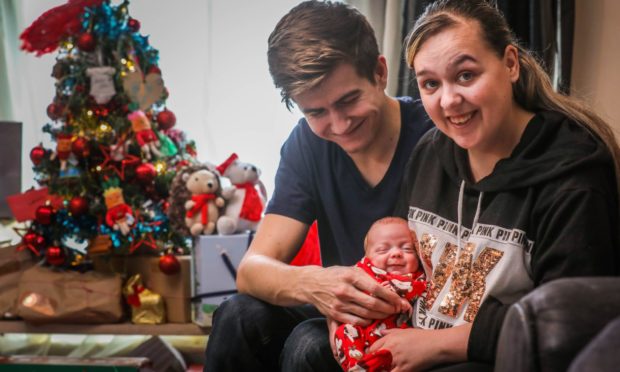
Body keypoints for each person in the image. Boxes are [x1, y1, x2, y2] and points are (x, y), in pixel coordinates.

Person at [383, 0, 620, 371]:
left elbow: (567, 325)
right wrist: (357, 307)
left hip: (496, 359)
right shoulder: (429, 152)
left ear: (510, 64)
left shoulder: (575, 178)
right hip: (413, 335)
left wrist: (440, 345)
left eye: (465, 75)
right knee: (309, 343)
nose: (449, 101)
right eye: (430, 84)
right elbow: (398, 257)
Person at [204, 1, 432, 371]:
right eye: (316, 112)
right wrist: (317, 285)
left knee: (307, 344)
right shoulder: (307, 145)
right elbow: (252, 270)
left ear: (379, 72)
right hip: (341, 314)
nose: (339, 125)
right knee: (237, 316)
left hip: (418, 317)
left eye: (349, 100)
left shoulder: (432, 132)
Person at [334, 217, 426, 372]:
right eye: (383, 250)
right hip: (361, 329)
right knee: (343, 332)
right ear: (367, 256)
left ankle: (375, 364)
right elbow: (346, 286)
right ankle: (355, 366)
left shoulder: (417, 277)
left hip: (397, 333)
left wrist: (397, 292)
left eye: (407, 249)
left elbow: (418, 288)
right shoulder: (362, 270)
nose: (396, 253)